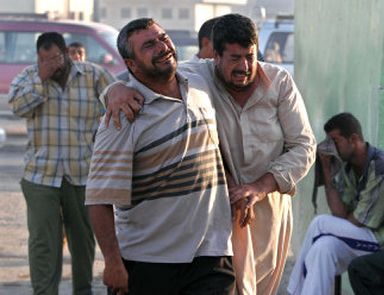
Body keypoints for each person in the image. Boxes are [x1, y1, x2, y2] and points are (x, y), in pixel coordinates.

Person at [103, 13, 316, 295]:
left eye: (250, 56)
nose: (244, 67)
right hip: (220, 213)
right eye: (234, 58)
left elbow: (304, 145)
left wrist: (260, 187)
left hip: (268, 209)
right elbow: (141, 79)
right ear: (214, 56)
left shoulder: (280, 82)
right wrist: (113, 91)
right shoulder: (196, 76)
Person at [85, 18, 235, 295]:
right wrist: (112, 263)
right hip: (148, 262)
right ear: (131, 65)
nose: (162, 47)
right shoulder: (121, 118)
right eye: (149, 45)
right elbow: (98, 199)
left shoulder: (201, 80)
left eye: (163, 38)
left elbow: (243, 65)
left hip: (211, 255)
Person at [8, 32, 115, 294]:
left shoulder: (93, 75)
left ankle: (83, 289)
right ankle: (45, 291)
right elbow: (18, 108)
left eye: (55, 58)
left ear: (66, 53)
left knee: (83, 240)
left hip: (83, 173)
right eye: (44, 59)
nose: (51, 64)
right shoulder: (29, 77)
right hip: (40, 176)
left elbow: (116, 101)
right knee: (44, 241)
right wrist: (41, 81)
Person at [287, 112, 384, 295]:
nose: (330, 146)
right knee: (323, 248)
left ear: (353, 139)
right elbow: (340, 214)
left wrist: (345, 221)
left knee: (320, 224)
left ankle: (293, 290)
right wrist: (325, 168)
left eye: (335, 140)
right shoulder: (348, 168)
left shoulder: (382, 166)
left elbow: (359, 222)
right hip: (363, 238)